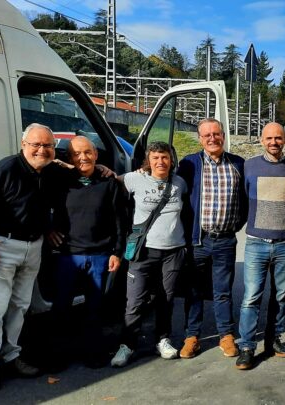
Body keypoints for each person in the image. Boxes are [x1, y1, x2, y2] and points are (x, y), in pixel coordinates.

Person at [0, 123, 59, 391]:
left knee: (20, 305)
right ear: (23, 145)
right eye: (36, 145)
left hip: (34, 247)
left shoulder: (49, 170)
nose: (42, 150)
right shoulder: (4, 170)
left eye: (48, 145)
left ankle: (11, 356)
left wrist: (103, 168)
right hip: (3, 245)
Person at [48, 136, 127, 368]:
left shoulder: (108, 182)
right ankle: (58, 356)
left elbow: (120, 221)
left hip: (101, 254)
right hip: (68, 255)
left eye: (88, 152)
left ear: (96, 155)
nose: (83, 157)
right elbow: (40, 202)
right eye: (76, 154)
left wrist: (117, 252)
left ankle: (93, 353)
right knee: (61, 307)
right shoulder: (61, 180)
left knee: (95, 308)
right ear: (69, 157)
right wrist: (49, 229)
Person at [111, 141, 190, 367]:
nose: (160, 162)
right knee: (134, 301)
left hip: (173, 251)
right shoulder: (135, 179)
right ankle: (127, 345)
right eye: (155, 158)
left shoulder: (179, 184)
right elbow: (110, 184)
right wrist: (102, 170)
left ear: (171, 160)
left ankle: (162, 340)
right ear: (148, 161)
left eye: (164, 157)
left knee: (166, 298)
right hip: (143, 251)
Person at [177, 118, 247, 360]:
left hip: (226, 240)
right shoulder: (189, 164)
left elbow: (246, 201)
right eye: (206, 135)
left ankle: (226, 336)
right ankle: (192, 336)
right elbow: (174, 191)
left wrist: (235, 226)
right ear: (200, 139)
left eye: (216, 134)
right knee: (194, 290)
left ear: (223, 136)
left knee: (223, 291)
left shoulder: (238, 163)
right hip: (198, 240)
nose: (212, 138)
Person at [235, 123, 285, 370]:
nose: (274, 142)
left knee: (281, 296)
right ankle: (246, 347)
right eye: (269, 138)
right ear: (262, 140)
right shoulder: (249, 166)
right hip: (256, 243)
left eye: (278, 138)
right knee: (251, 297)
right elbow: (243, 198)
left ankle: (274, 340)